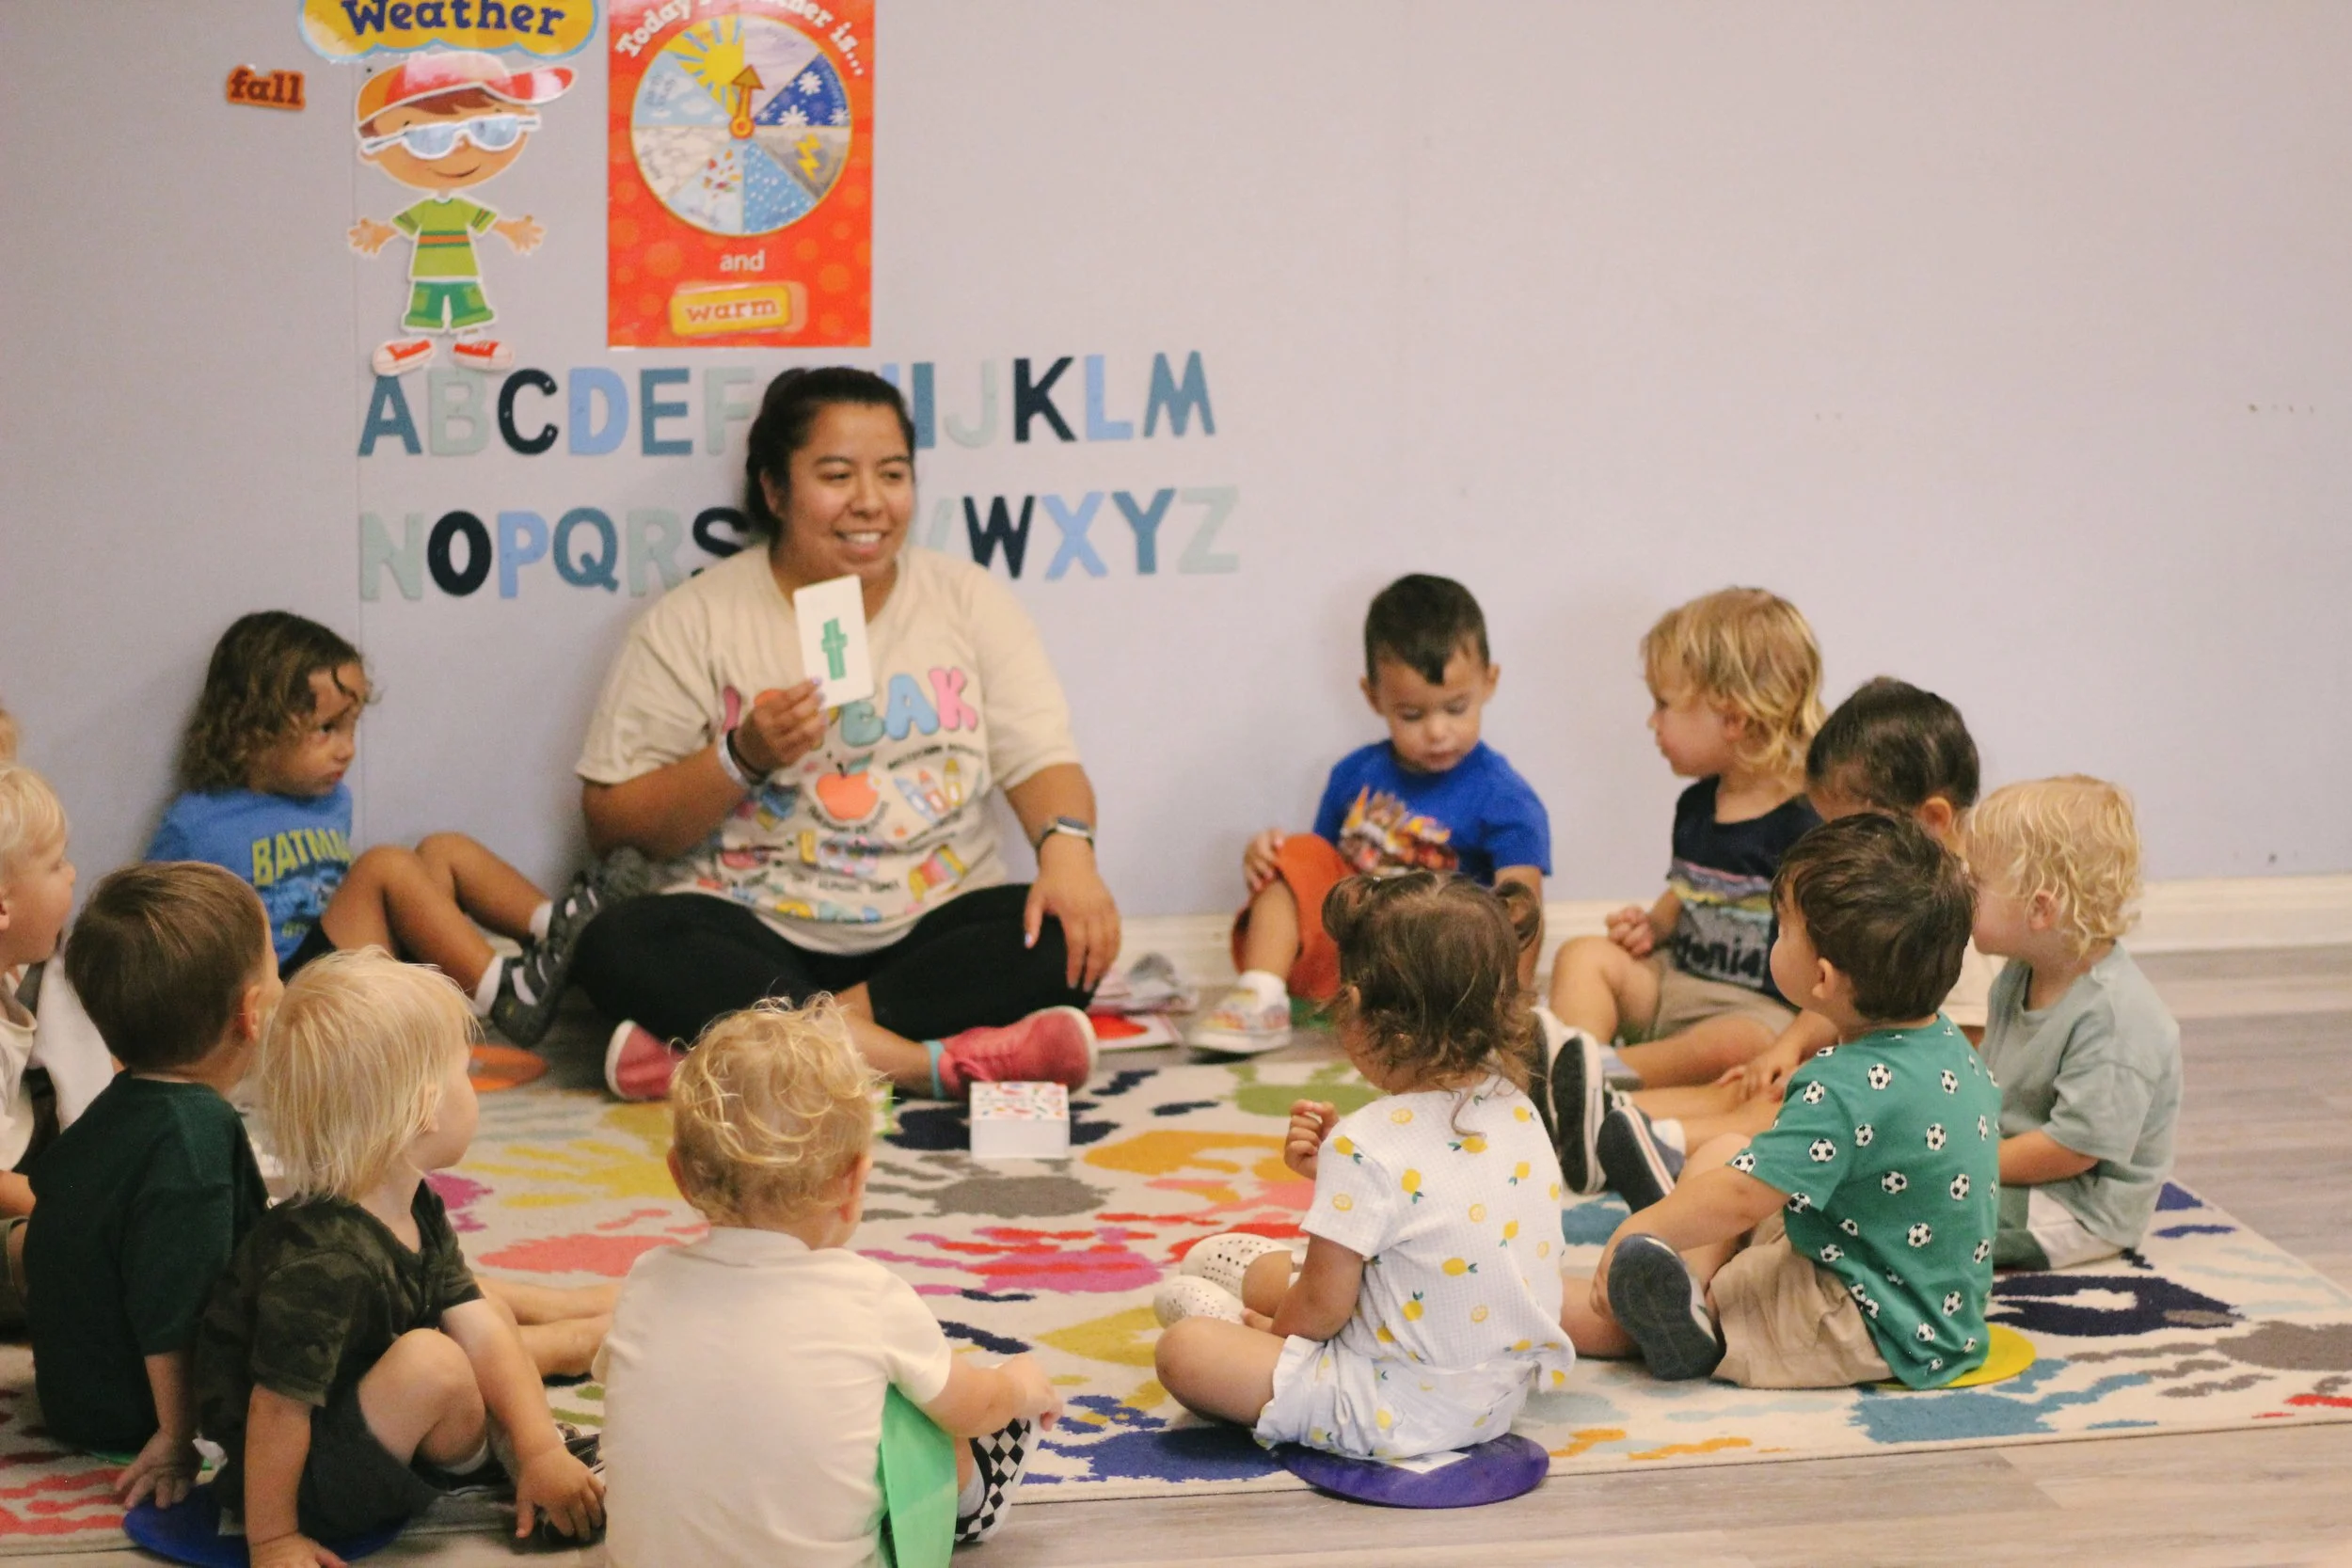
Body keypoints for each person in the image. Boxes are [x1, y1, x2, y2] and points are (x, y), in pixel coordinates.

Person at [574, 366, 1118, 1103]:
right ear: (774, 489)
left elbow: (1043, 759)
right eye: (836, 474)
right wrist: (743, 755)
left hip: (925, 928)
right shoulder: (696, 617)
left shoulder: (967, 600)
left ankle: (732, 1056)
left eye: (892, 474)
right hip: (753, 927)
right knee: (617, 944)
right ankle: (927, 1066)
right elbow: (613, 822)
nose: (870, 501)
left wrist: (1069, 853)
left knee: (1059, 941)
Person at [599, 998, 1061, 1567]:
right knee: (914, 1399)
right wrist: (1019, 1384)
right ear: (854, 1181)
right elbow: (972, 1409)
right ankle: (977, 1502)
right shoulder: (867, 1296)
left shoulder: (646, 1282)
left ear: (679, 1176)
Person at [194, 950, 605, 1564]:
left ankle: (526, 1443)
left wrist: (543, 1443)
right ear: (422, 1110)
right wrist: (274, 1537)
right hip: (293, 1476)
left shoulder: (412, 1206)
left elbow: (484, 1330)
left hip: (354, 1412)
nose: (475, 1092)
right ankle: (496, 1452)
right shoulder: (322, 1262)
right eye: (464, 1074)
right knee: (435, 1361)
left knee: (479, 1309)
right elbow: (276, 1408)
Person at [1563, 814, 2000, 1389]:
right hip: (1906, 1283)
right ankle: (1688, 1278)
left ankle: (1682, 1312)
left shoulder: (1842, 1088)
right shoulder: (1945, 1040)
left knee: (1603, 1307)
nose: (1776, 937)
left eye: (1782, 930)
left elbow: (1746, 1197)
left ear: (1820, 980)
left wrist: (1636, 1230)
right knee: (1726, 1148)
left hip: (1865, 1321)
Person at [1152, 874, 1574, 1460]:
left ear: (1352, 1008)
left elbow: (1323, 1311)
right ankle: (1235, 1299)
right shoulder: (1518, 1107)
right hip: (1498, 1398)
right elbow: (1439, 1207)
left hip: (1393, 1407)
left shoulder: (1367, 1144)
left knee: (1187, 1348)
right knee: (1244, 1262)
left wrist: (1269, 1335)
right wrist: (1333, 1177)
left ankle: (1229, 1317)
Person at [1563, 677, 2000, 1181]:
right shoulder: (1900, 901)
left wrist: (1831, 1069)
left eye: (1853, 831)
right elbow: (1860, 994)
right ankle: (1592, 1118)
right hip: (1861, 1074)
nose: (1838, 851)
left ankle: (1645, 1144)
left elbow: (1944, 1070)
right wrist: (1788, 1047)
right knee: (1751, 1083)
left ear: (1931, 820)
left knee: (1781, 1108)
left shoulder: (1950, 924)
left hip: (1900, 1117)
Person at [151, 610, 598, 1046]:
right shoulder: (198, 823)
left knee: (442, 850)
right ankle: (505, 992)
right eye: (326, 729)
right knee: (385, 866)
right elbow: (154, 933)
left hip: (350, 972)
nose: (346, 750)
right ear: (253, 728)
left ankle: (565, 931)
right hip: (291, 1004)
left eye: (351, 728)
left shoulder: (331, 801)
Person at [1187, 575, 1550, 1054]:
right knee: (1296, 850)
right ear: (1373, 696)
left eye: (1456, 708)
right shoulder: (1353, 775)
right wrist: (1272, 861)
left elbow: (1522, 908)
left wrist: (1511, 1007)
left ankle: (1441, 1021)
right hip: (1354, 958)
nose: (1438, 731)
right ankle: (1260, 995)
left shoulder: (1507, 799)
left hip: (1440, 970)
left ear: (1490, 682)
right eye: (1413, 715)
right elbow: (1318, 879)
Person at [27, 865, 277, 1507]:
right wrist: (177, 1433)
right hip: (136, 1409)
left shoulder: (119, 1104)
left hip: (76, 1395)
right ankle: (549, 1339)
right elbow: (172, 1309)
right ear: (251, 1013)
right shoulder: (193, 1139)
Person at [1540, 588, 1825, 1097]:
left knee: (1737, 1044)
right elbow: (1689, 890)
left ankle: (1594, 1080)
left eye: (1663, 704)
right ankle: (1574, 1063)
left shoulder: (1806, 825)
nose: (1652, 721)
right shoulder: (1696, 806)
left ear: (1733, 719)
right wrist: (1653, 926)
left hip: (1753, 1010)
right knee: (1583, 955)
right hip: (1674, 982)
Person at [1971, 777, 2180, 1269]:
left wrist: (1963, 1166)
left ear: (2041, 908)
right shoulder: (2018, 974)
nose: (1961, 890)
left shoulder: (2115, 1016)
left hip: (2076, 1205)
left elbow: (2074, 1150)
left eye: (1976, 882)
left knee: (1917, 1214)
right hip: (2020, 1169)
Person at [346, 50, 571, 377]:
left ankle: (471, 340)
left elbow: (488, 221)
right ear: (373, 150)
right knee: (425, 306)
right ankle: (418, 341)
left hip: (463, 268)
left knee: (469, 304)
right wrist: (379, 234)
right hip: (427, 270)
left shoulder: (462, 207)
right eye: (428, 138)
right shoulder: (425, 208)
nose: (461, 149)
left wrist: (511, 230)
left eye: (492, 129)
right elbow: (401, 224)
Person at [0, 762, 75, 1320]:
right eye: (55, 865)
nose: (72, 877)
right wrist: (59, 1212)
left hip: (20, 1177)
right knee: (73, 1254)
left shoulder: (12, 973)